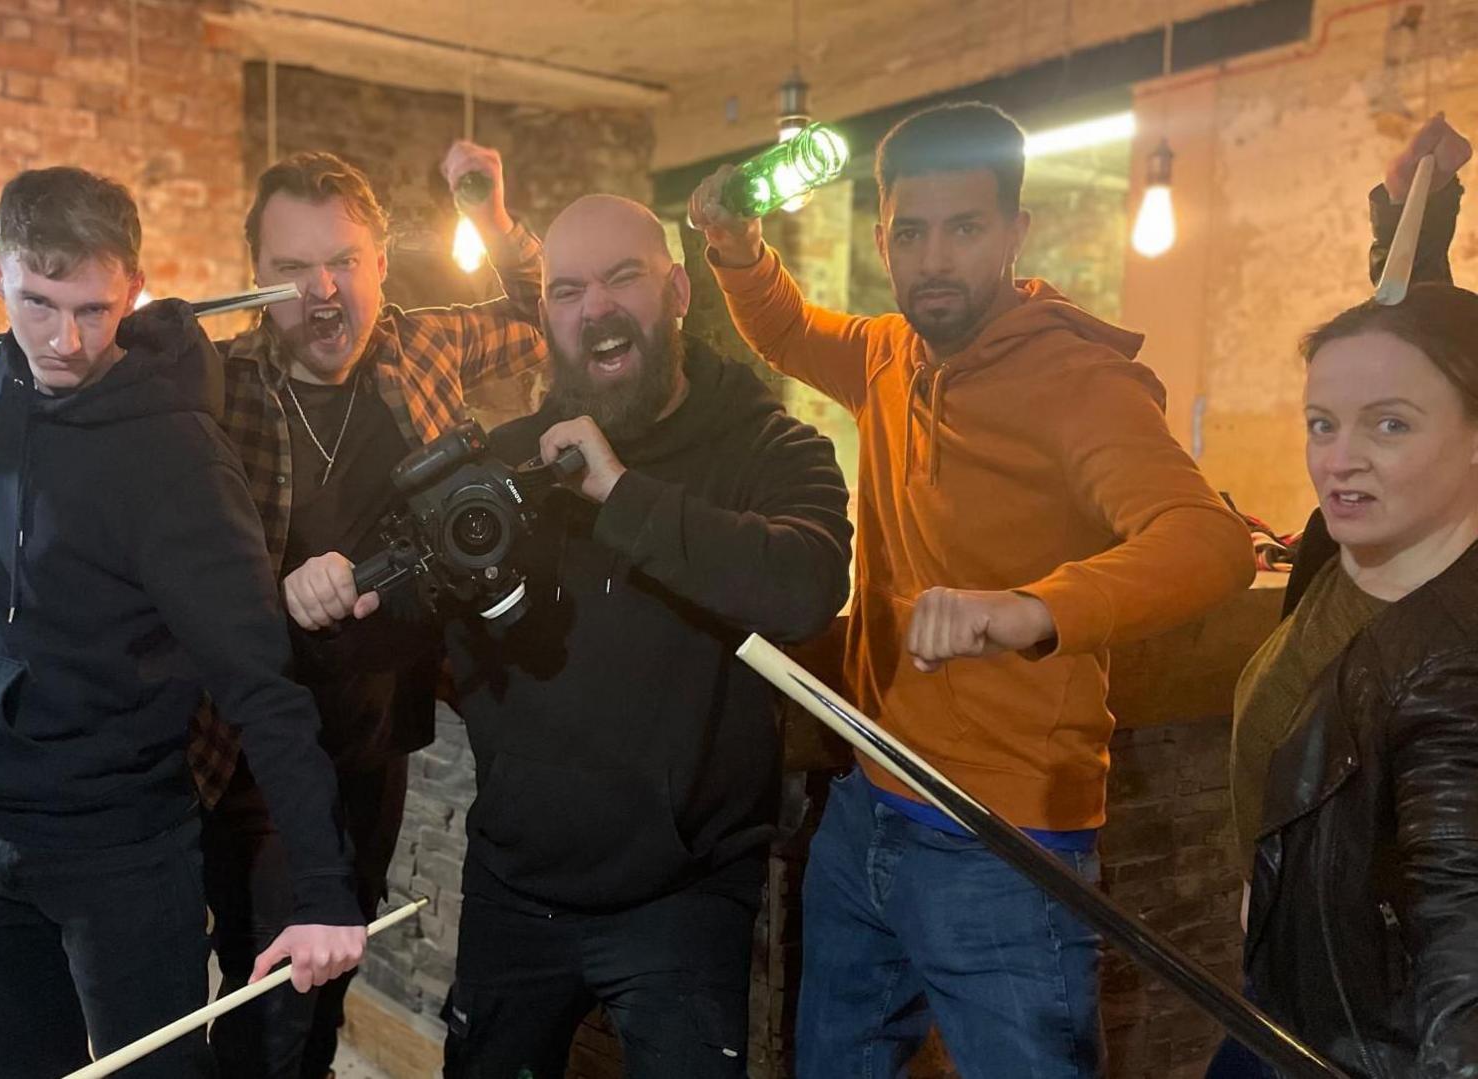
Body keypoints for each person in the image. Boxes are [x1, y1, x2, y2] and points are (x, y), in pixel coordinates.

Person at [690, 101, 1255, 1076]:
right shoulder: (888, 353)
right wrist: (736, 246)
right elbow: (786, 329)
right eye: (913, 232)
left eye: (965, 228)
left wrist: (1032, 608)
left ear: (1014, 233)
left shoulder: (1076, 380)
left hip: (1007, 837)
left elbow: (1210, 540)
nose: (936, 258)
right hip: (867, 803)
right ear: (883, 238)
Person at [291, 193, 853, 1078]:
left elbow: (806, 587)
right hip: (516, 889)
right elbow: (392, 630)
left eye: (624, 278)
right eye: (567, 289)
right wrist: (326, 604)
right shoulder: (500, 461)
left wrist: (620, 492)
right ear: (545, 312)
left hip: (686, 895)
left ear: (677, 292)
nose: (596, 307)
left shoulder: (770, 450)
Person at [0, 165, 365, 1077]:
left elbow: (260, 683)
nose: (65, 341)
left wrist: (324, 891)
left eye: (94, 310)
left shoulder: (177, 458)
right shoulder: (3, 382)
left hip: (120, 849)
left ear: (133, 289)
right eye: (38, 303)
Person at [204, 146, 547, 1078]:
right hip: (256, 752)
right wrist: (274, 589)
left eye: (344, 260)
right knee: (276, 991)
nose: (322, 289)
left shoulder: (419, 344)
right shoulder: (220, 383)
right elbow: (171, 552)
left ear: (379, 266)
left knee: (319, 987)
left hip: (374, 740)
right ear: (257, 279)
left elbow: (549, 317)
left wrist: (495, 219)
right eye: (290, 269)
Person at [1208, 112, 1477, 1079]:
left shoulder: (1454, 666)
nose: (1341, 455)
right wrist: (1416, 223)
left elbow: (1462, 925)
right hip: (1287, 1001)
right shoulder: (1356, 545)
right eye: (1322, 422)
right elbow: (1422, 368)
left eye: (1387, 427)